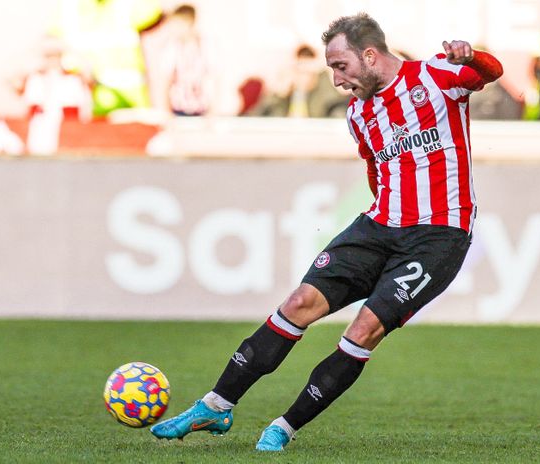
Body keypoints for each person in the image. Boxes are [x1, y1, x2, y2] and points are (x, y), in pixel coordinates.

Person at [149, 13, 502, 451]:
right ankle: (216, 405)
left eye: (342, 67)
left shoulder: (436, 75)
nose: (337, 81)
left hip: (439, 234)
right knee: (299, 302)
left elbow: (491, 73)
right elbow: (376, 170)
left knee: (365, 328)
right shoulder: (359, 113)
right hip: (379, 224)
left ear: (369, 56)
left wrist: (472, 54)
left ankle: (284, 426)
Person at [247, 44, 348, 118]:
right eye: (300, 71)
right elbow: (255, 117)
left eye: (308, 72)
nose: (304, 77)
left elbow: (336, 109)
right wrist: (278, 93)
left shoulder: (323, 90)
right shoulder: (284, 95)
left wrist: (326, 72)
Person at [155, 4, 208, 117]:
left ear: (189, 23)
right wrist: (166, 113)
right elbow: (165, 81)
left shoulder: (204, 47)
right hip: (178, 110)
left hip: (201, 110)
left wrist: (212, 112)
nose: (174, 29)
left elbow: (213, 79)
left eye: (178, 25)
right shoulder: (172, 48)